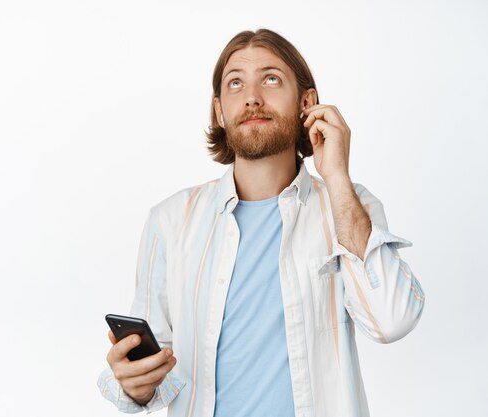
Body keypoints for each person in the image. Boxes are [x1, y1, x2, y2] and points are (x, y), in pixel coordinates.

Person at [97, 28, 425, 417]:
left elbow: (390, 320)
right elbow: (158, 369)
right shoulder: (169, 221)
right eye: (236, 83)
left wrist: (337, 177)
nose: (252, 97)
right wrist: (135, 383)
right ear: (220, 111)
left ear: (308, 102)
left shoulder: (348, 206)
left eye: (271, 79)